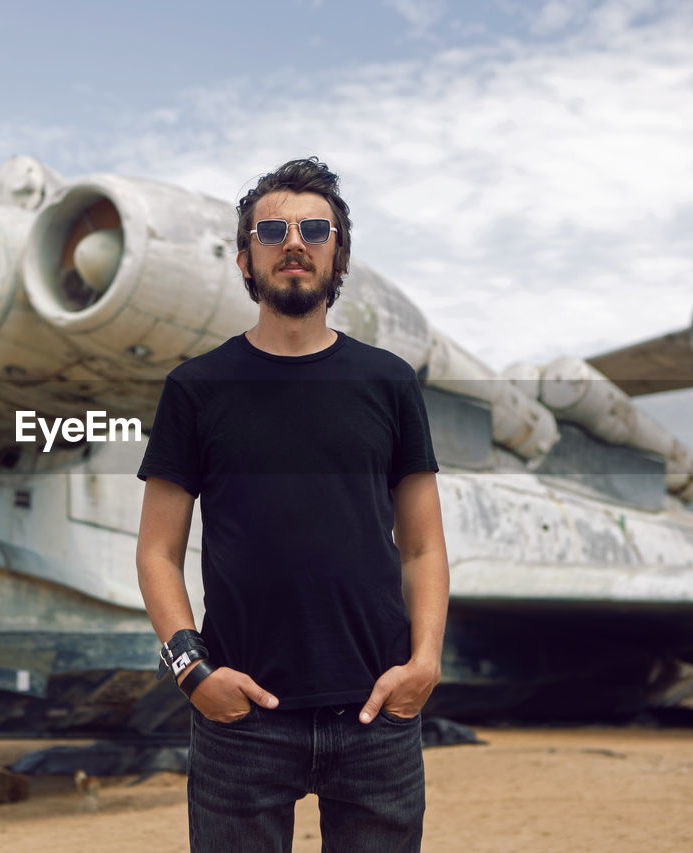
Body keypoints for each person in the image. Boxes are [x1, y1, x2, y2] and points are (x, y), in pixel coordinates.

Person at [135, 157, 449, 853]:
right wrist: (193, 672)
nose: (294, 242)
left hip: (377, 713)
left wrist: (425, 661)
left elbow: (424, 544)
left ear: (338, 254)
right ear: (246, 259)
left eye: (315, 228)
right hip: (241, 718)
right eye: (272, 230)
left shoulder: (389, 382)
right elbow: (156, 551)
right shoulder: (196, 388)